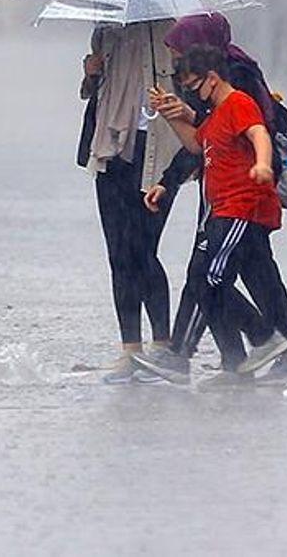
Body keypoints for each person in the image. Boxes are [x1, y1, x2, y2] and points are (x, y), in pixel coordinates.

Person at [135, 13, 287, 386]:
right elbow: (201, 140)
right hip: (225, 191)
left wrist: (262, 165)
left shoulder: (236, 79)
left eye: (181, 53)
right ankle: (260, 358)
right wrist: (169, 172)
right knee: (255, 274)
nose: (178, 65)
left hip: (242, 194)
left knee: (207, 276)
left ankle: (197, 352)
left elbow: (251, 130)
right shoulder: (206, 86)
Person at [79, 21, 182, 384]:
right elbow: (91, 93)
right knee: (118, 253)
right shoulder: (105, 31)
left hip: (157, 152)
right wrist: (90, 74)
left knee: (143, 249)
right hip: (110, 149)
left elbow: (191, 93)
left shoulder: (170, 33)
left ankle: (163, 345)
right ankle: (130, 349)